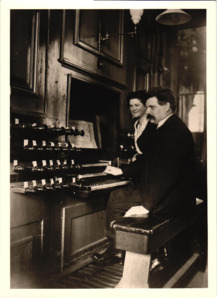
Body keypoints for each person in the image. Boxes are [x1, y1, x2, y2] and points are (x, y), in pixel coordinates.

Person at [92, 87, 196, 264]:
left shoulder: (171, 132)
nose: (148, 111)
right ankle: (120, 248)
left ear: (167, 106)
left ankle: (117, 249)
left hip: (173, 199)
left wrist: (146, 206)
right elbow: (147, 159)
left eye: (152, 107)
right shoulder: (166, 127)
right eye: (147, 107)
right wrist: (123, 171)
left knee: (116, 200)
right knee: (118, 195)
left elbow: (166, 175)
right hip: (174, 193)